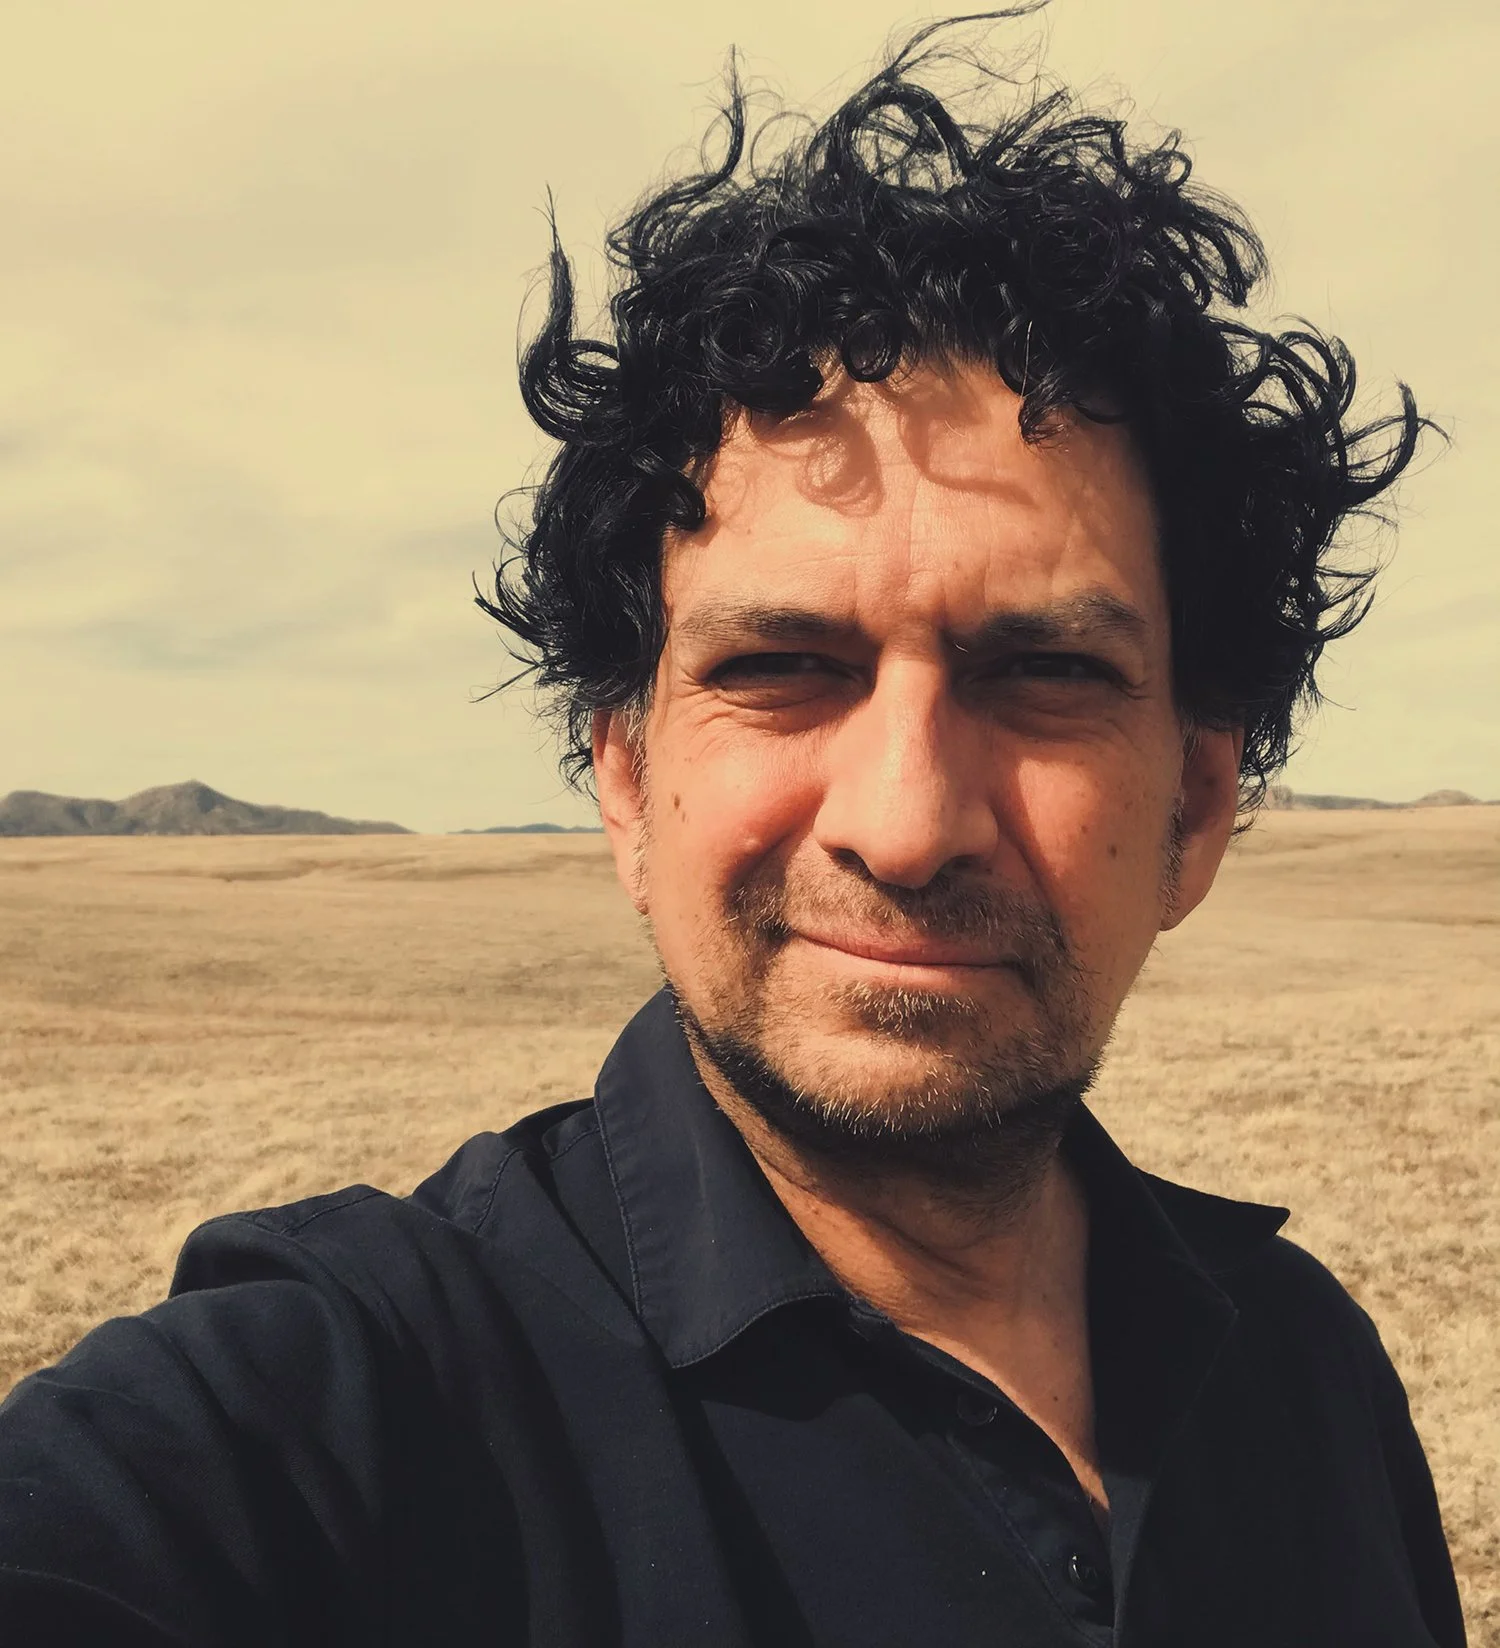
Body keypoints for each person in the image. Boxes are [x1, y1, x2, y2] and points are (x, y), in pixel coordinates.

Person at [0, 14, 1465, 1646]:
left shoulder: (1304, 1362)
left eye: (1045, 673)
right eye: (780, 668)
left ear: (1194, 805)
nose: (905, 825)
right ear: (628, 779)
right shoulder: (340, 1410)